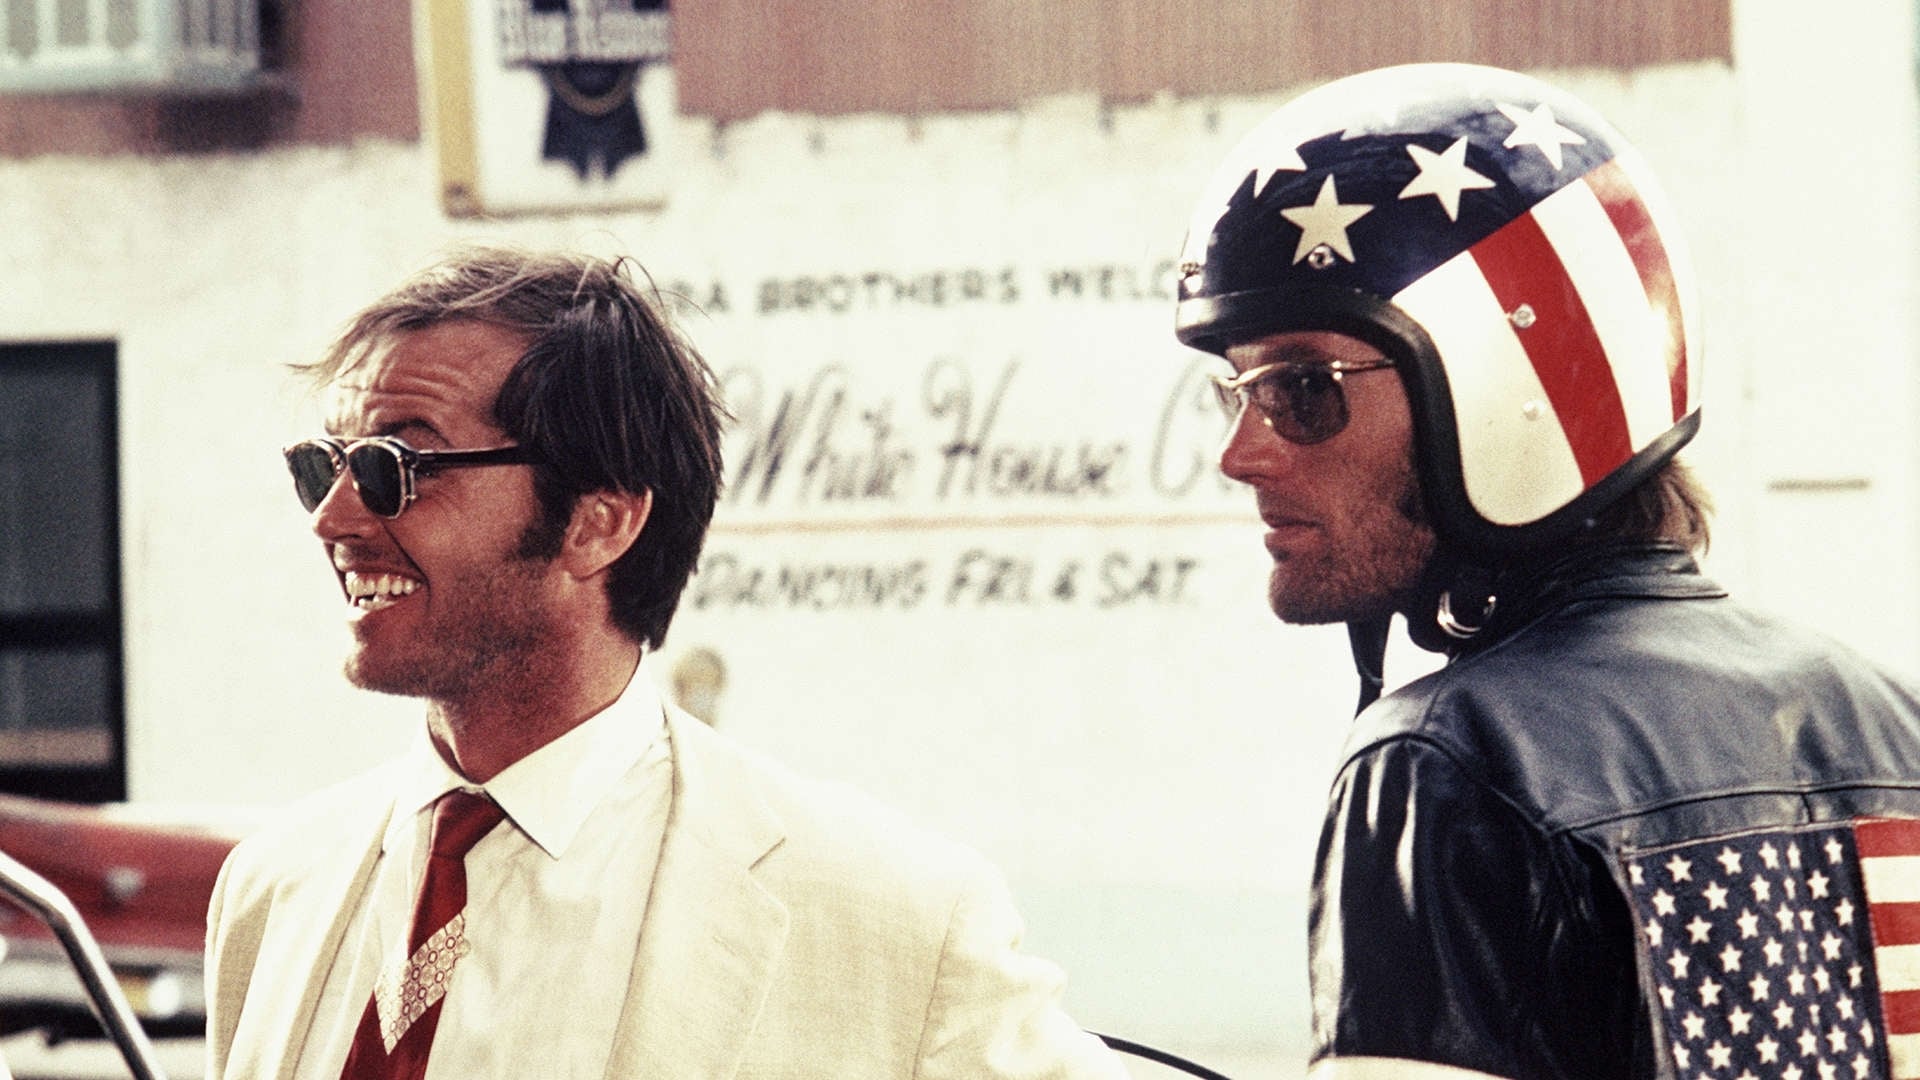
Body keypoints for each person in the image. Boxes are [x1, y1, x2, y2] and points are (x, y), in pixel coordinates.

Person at [205, 245, 1124, 1079]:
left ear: (598, 522)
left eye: (394, 466)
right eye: (321, 466)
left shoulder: (893, 920)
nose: (332, 518)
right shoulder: (273, 887)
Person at [1173, 63, 1920, 1078]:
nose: (1240, 454)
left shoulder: (1448, 760)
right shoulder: (1891, 721)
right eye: (1238, 392)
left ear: (1500, 385)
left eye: (1302, 389)